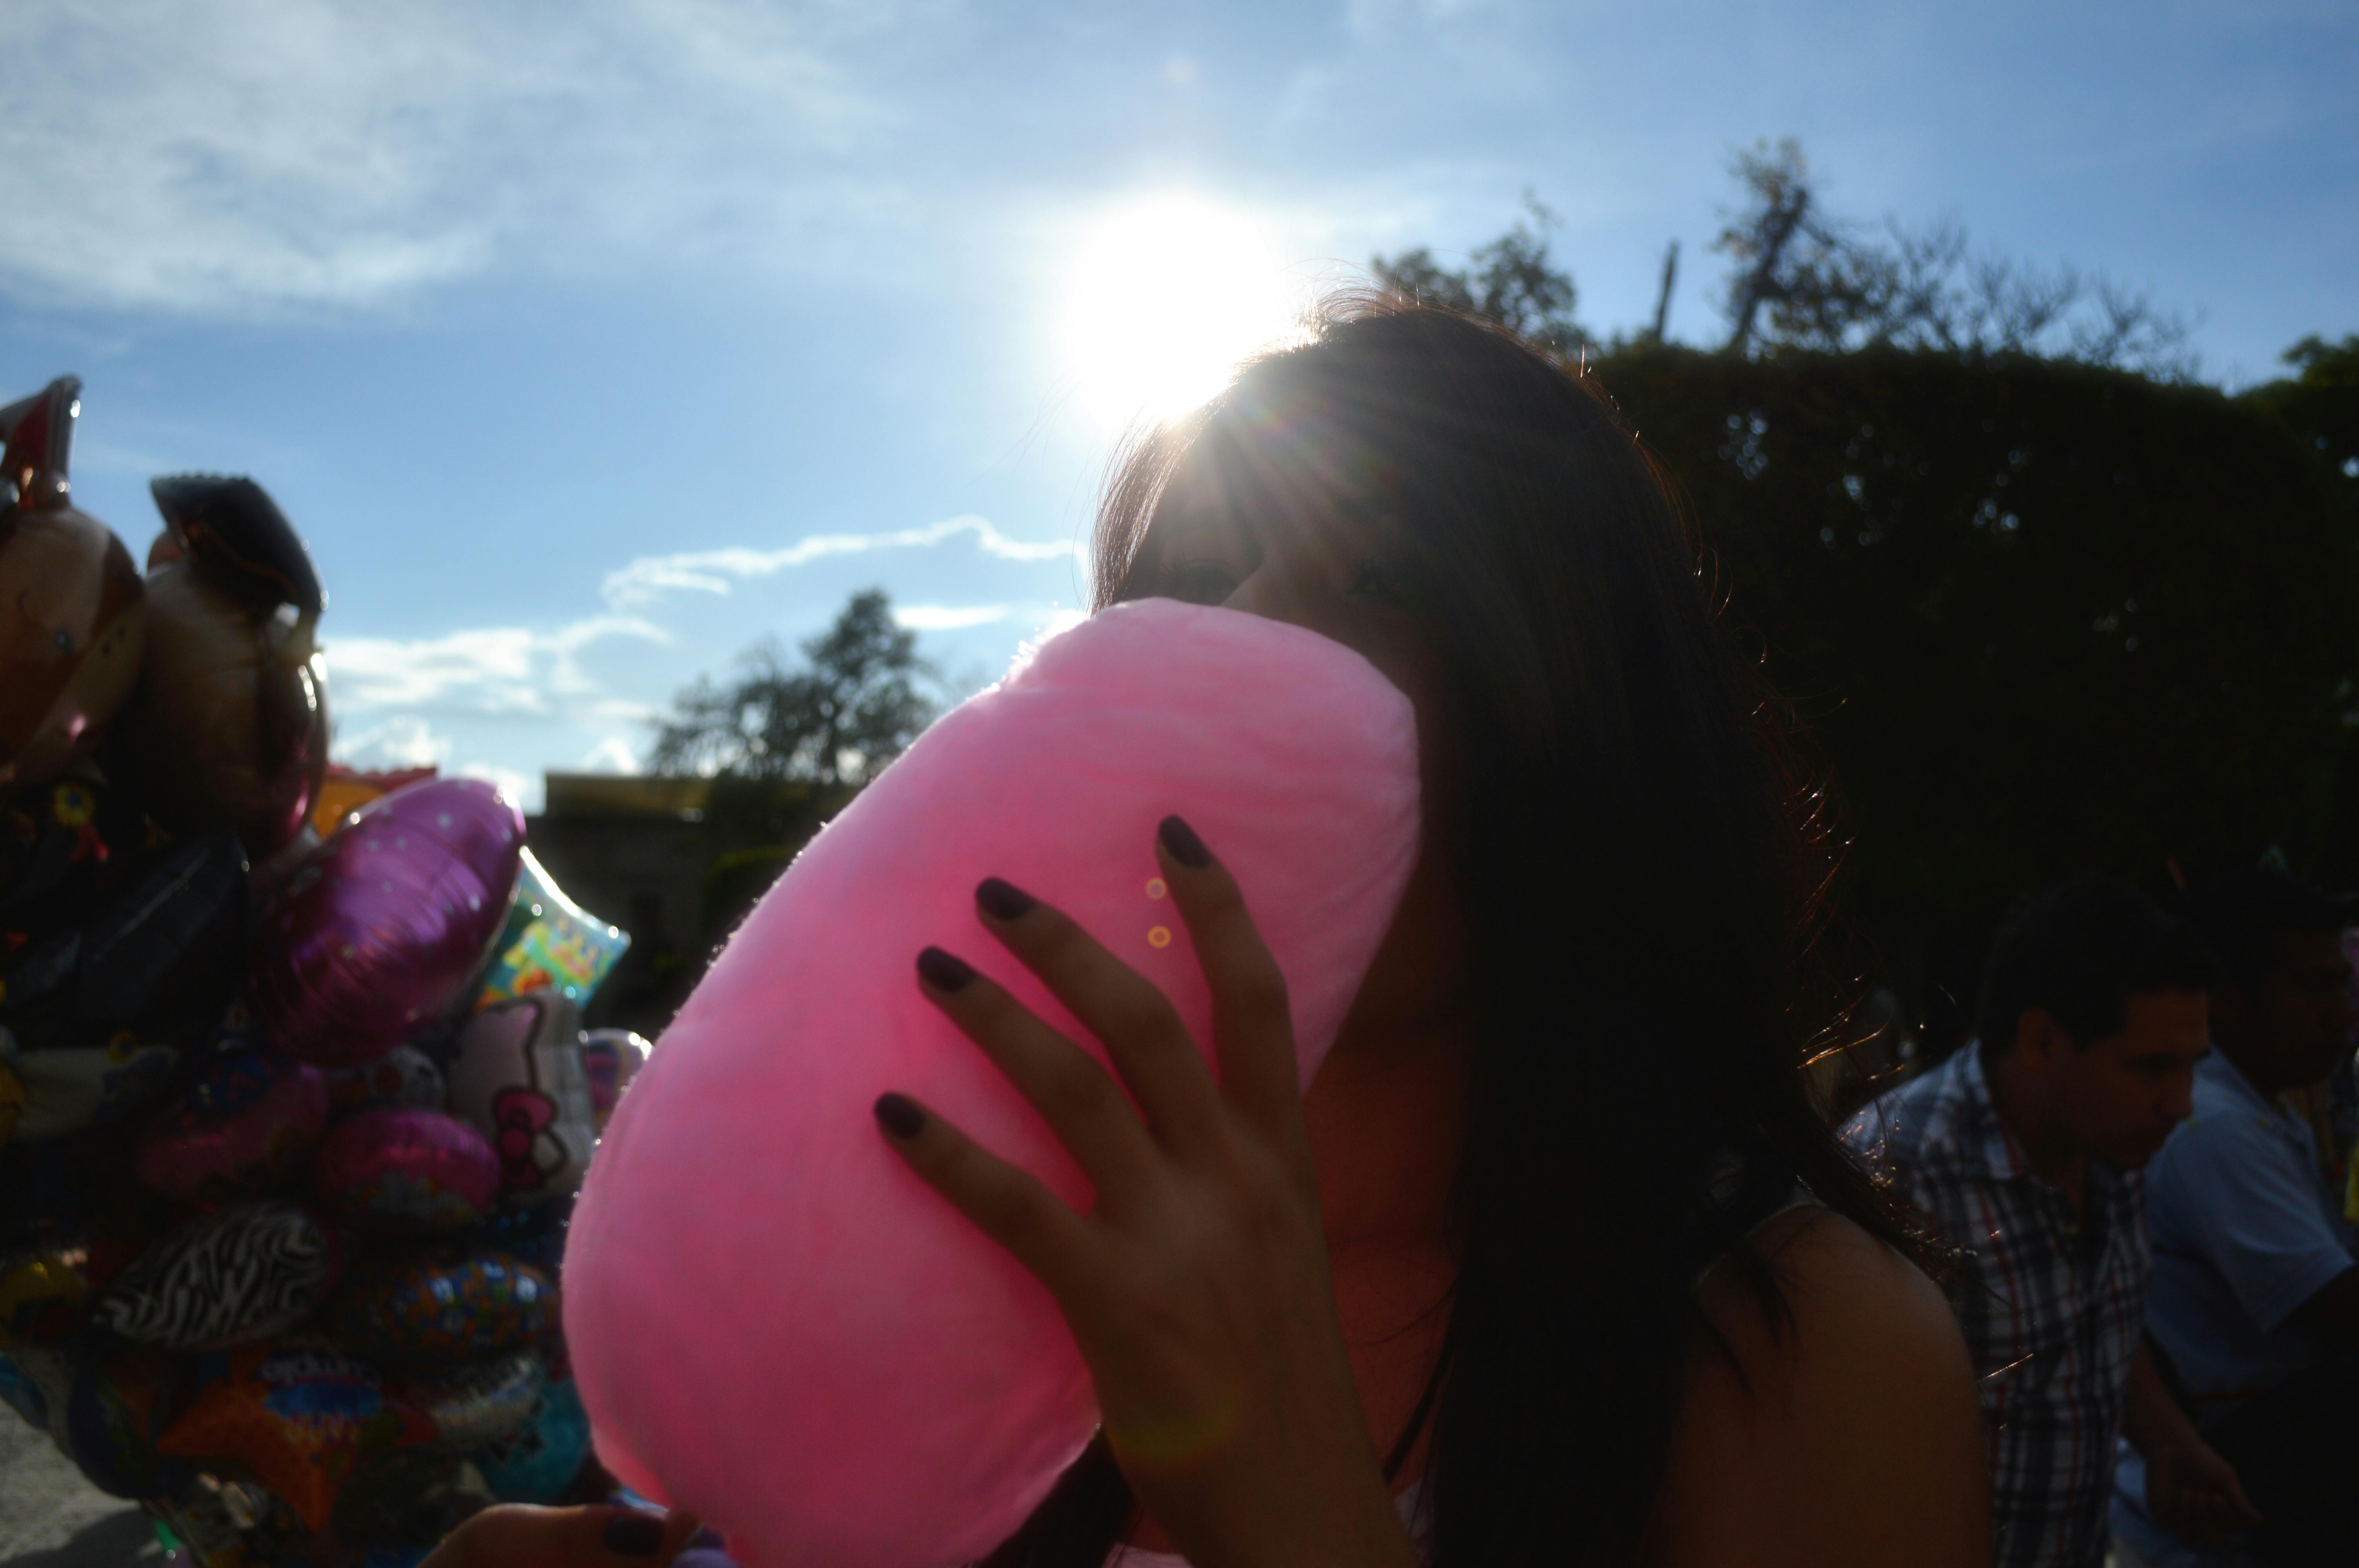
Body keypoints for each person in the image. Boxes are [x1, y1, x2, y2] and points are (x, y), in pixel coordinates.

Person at [425, 295, 1986, 1568]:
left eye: (1371, 573)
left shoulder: (1801, 1351)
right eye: (1173, 590)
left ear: (1579, 698)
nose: (1237, 632)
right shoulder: (1018, 1233)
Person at [1842, 877, 2250, 1568]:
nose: (2181, 1104)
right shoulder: (1893, 1178)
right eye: (2153, 1068)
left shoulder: (2111, 1144)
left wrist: (2170, 1442)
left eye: (2190, 1068)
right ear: (2039, 1041)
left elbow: (2089, 1322)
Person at [2110, 867, 2359, 1568]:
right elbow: (2339, 1307)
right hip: (2246, 1457)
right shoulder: (2218, 1124)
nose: (2342, 1013)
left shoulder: (2266, 1105)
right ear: (2229, 999)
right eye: (2314, 987)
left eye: (2343, 984)